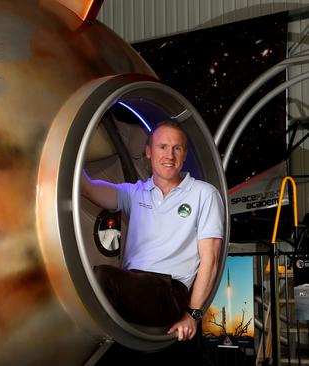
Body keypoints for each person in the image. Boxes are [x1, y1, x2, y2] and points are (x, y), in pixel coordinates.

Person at [80, 120, 224, 341]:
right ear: (148, 151)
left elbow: (211, 260)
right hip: (134, 284)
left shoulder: (204, 194)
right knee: (82, 281)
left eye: (177, 148)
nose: (170, 155)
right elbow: (89, 189)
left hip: (169, 290)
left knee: (102, 279)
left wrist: (192, 314)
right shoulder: (135, 193)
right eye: (163, 147)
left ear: (184, 155)